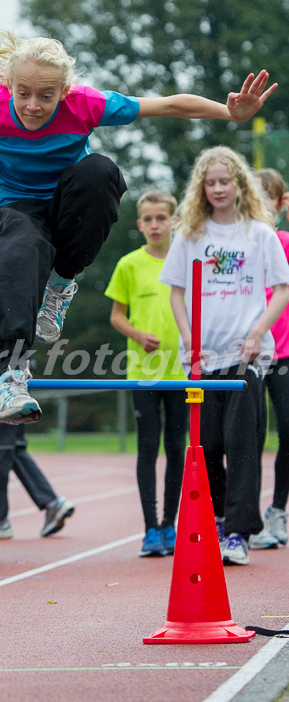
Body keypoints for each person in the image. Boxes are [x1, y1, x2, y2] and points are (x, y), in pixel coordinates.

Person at [0, 29, 276, 425]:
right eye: (23, 94)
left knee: (100, 171)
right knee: (22, 240)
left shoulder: (85, 103)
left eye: (46, 96)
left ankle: (59, 284)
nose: (33, 107)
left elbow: (170, 105)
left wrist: (229, 113)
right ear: (10, 86)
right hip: (10, 208)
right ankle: (12, 378)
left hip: (64, 206)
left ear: (64, 90)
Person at [159, 146, 289, 566]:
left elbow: (283, 290)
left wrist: (257, 332)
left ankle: (238, 532)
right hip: (201, 358)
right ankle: (215, 517)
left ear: (238, 185)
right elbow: (177, 293)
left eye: (224, 181)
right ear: (202, 187)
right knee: (207, 444)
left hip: (245, 356)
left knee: (242, 444)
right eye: (210, 182)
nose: (217, 189)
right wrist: (187, 337)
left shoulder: (259, 234)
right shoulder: (191, 235)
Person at [105, 190, 188, 557]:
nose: (155, 225)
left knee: (176, 448)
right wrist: (138, 335)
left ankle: (170, 525)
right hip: (143, 371)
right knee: (147, 448)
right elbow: (116, 316)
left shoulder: (187, 262)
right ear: (139, 224)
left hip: (184, 372)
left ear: (175, 221)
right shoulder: (129, 264)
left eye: (161, 218)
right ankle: (150, 529)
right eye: (148, 219)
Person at [248, 168, 289, 550]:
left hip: (286, 354)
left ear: (281, 203)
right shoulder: (241, 248)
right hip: (250, 354)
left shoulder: (285, 242)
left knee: (287, 431)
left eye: (267, 198)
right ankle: (249, 516)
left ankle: (278, 510)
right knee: (251, 436)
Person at [0, 423, 74, 540]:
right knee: (14, 447)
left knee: (2, 448)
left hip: (1, 408)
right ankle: (51, 502)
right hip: (13, 406)